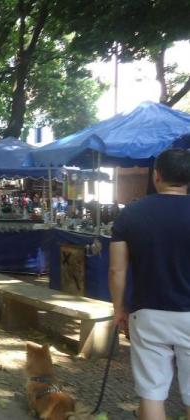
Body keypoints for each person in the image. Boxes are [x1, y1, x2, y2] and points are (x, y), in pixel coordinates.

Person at [109, 149, 190, 420]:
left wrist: (118, 309)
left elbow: (116, 269)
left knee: (152, 393)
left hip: (147, 313)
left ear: (157, 176)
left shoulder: (132, 213)